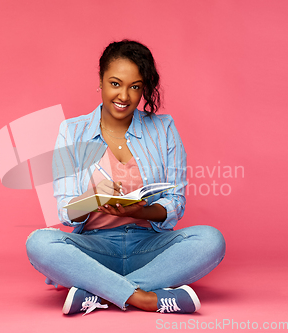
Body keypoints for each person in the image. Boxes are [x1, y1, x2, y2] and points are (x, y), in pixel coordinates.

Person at [26, 40, 225, 315]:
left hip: (149, 247)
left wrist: (142, 211)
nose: (124, 96)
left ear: (143, 88)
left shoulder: (164, 129)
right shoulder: (72, 131)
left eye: (135, 87)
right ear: (101, 81)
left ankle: (100, 294)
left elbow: (175, 203)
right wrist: (93, 199)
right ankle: (145, 298)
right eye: (115, 84)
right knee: (39, 242)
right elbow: (65, 211)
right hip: (95, 247)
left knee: (211, 240)